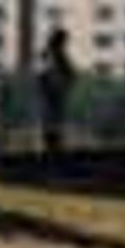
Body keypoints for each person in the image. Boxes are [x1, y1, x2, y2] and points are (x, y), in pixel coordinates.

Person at [36, 25, 78, 160]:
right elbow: (42, 74)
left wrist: (64, 86)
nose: (64, 43)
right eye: (62, 40)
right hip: (52, 94)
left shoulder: (57, 55)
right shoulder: (51, 55)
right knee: (51, 124)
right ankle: (52, 152)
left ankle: (53, 152)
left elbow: (72, 75)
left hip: (55, 94)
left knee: (53, 124)